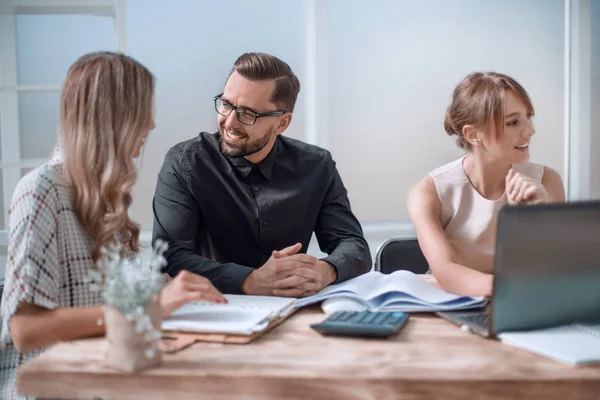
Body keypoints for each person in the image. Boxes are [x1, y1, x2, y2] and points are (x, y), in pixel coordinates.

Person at [0, 52, 226, 399]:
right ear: (111, 117)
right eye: (142, 110)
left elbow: (94, 304)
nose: (151, 125)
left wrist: (156, 290)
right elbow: (25, 330)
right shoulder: (40, 192)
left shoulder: (101, 195)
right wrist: (147, 307)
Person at [152, 52, 371, 297]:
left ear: (282, 123)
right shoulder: (185, 162)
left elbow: (354, 246)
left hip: (293, 311)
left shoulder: (318, 166)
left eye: (248, 114)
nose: (230, 122)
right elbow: (168, 255)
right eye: (226, 104)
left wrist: (325, 270)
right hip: (212, 310)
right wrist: (249, 280)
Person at [407, 72, 565, 297]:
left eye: (528, 117)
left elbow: (557, 271)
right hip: (452, 306)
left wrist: (540, 217)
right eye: (513, 122)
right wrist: (513, 288)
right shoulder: (429, 192)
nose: (530, 130)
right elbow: (446, 271)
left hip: (524, 305)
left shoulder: (547, 182)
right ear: (473, 134)